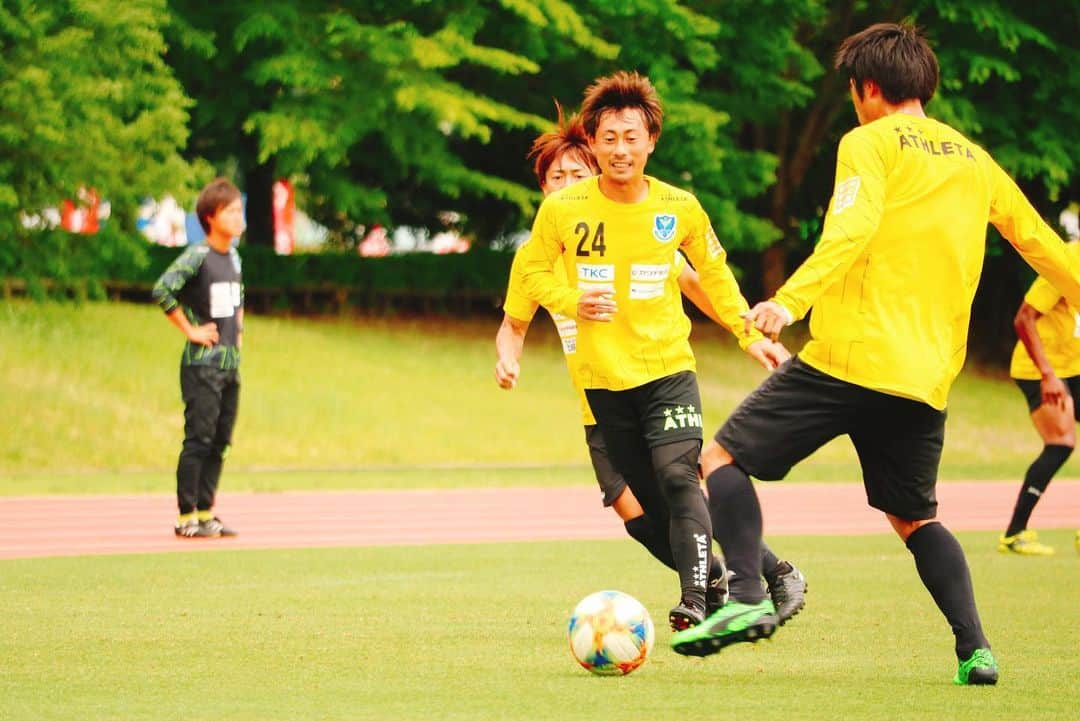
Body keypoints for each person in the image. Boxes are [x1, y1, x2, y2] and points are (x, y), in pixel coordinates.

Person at [671, 23, 1080, 686]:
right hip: (925, 376)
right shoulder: (976, 160)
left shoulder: (868, 140)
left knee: (718, 457)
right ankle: (975, 649)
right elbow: (1043, 246)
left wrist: (790, 300)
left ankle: (748, 594)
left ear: (867, 88)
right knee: (916, 516)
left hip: (850, 357)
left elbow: (851, 228)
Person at [496, 105, 808, 622]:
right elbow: (514, 323)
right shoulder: (541, 247)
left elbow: (699, 280)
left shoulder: (645, 222)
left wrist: (745, 334)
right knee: (641, 516)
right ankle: (730, 576)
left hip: (660, 373)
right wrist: (509, 360)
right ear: (544, 186)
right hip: (597, 398)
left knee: (678, 480)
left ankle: (709, 591)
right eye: (558, 176)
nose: (568, 182)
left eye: (577, 174)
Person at [152, 178, 246, 539]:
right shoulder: (198, 255)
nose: (239, 217)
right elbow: (163, 289)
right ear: (211, 216)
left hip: (230, 364)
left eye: (240, 210)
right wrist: (190, 331)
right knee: (199, 439)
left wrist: (237, 332)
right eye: (231, 211)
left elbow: (237, 300)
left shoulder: (234, 257)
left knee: (221, 440)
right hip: (202, 366)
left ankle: (207, 511)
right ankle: (185, 515)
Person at [1002, 238, 1080, 555]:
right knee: (1061, 443)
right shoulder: (1064, 261)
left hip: (1074, 366)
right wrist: (1048, 374)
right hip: (1039, 368)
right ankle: (1014, 533)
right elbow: (1023, 318)